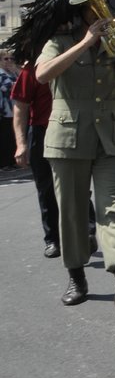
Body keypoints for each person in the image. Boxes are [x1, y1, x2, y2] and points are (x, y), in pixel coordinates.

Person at [14, 0, 115, 310]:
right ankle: (76, 276)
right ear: (78, 14)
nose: (101, 9)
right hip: (68, 137)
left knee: (114, 207)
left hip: (110, 136)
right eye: (93, 6)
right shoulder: (57, 43)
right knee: (73, 212)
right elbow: (44, 74)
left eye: (101, 3)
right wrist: (86, 42)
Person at [9, 51, 63, 256]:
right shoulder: (31, 68)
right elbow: (20, 107)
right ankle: (53, 239)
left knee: (79, 185)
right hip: (42, 132)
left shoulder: (77, 60)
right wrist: (21, 144)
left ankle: (87, 232)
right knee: (47, 189)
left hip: (73, 130)